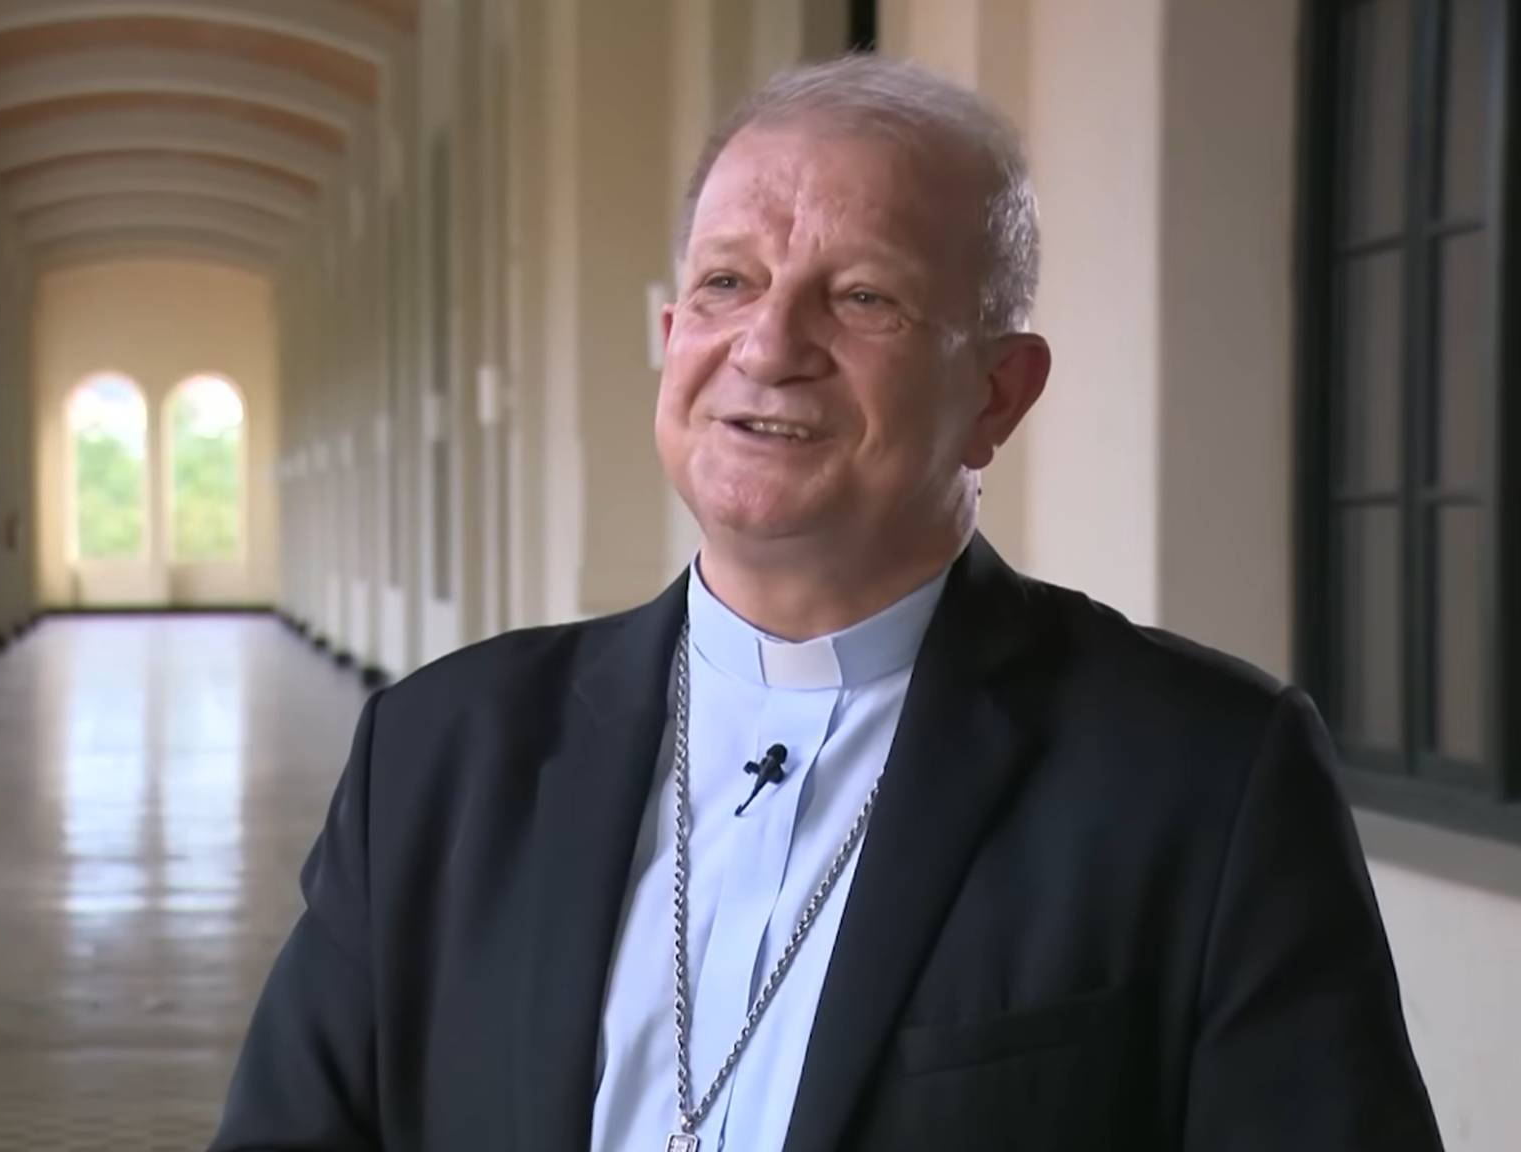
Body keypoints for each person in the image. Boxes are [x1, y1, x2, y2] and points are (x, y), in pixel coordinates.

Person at [211, 54, 1441, 1151]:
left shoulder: (1202, 777)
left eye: (862, 298)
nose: (766, 346)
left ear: (997, 394)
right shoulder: (436, 751)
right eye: (725, 283)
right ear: (672, 335)